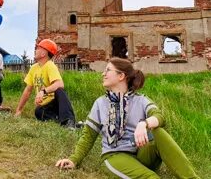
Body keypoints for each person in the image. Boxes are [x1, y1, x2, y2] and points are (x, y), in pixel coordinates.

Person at [56, 57, 200, 179]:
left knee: (158, 131)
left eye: (107, 70)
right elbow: (88, 136)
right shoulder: (100, 103)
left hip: (142, 153)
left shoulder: (141, 100)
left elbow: (159, 117)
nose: (103, 74)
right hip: (115, 155)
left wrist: (143, 124)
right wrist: (73, 160)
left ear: (121, 76)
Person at [14, 39, 76, 128]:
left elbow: (60, 83)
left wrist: (43, 91)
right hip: (45, 107)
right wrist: (18, 110)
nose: (35, 50)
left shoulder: (50, 65)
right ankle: (60, 122)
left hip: (55, 104)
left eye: (38, 48)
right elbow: (27, 90)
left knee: (59, 90)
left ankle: (69, 121)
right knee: (37, 111)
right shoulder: (34, 68)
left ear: (43, 53)